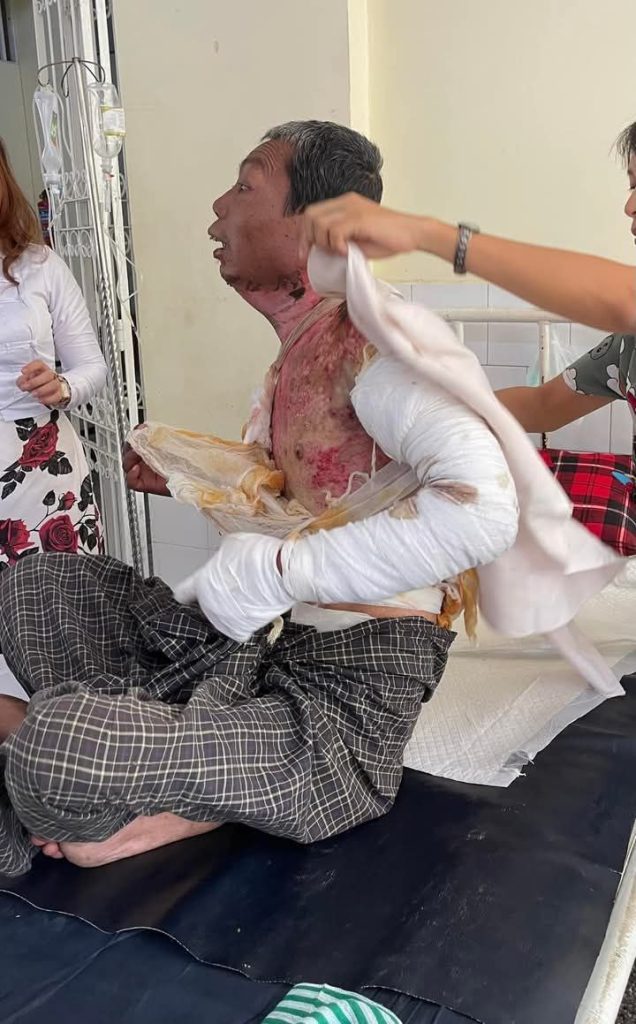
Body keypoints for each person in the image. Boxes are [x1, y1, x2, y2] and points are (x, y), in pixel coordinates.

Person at [0, 121, 520, 877]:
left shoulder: (381, 343)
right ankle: (144, 758)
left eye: (245, 186)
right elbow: (318, 501)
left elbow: (484, 510)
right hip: (262, 651)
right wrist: (193, 480)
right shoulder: (301, 351)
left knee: (60, 753)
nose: (218, 207)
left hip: (339, 710)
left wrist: (278, 573)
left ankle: (142, 780)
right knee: (38, 586)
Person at [301, 122, 636, 337]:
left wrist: (423, 233)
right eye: (631, 186)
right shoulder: (624, 351)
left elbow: (627, 298)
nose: (629, 206)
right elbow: (543, 403)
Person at [0, 138, 107, 569]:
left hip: (46, 468)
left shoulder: (39, 265)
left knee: (64, 600)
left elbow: (92, 367)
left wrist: (61, 386)